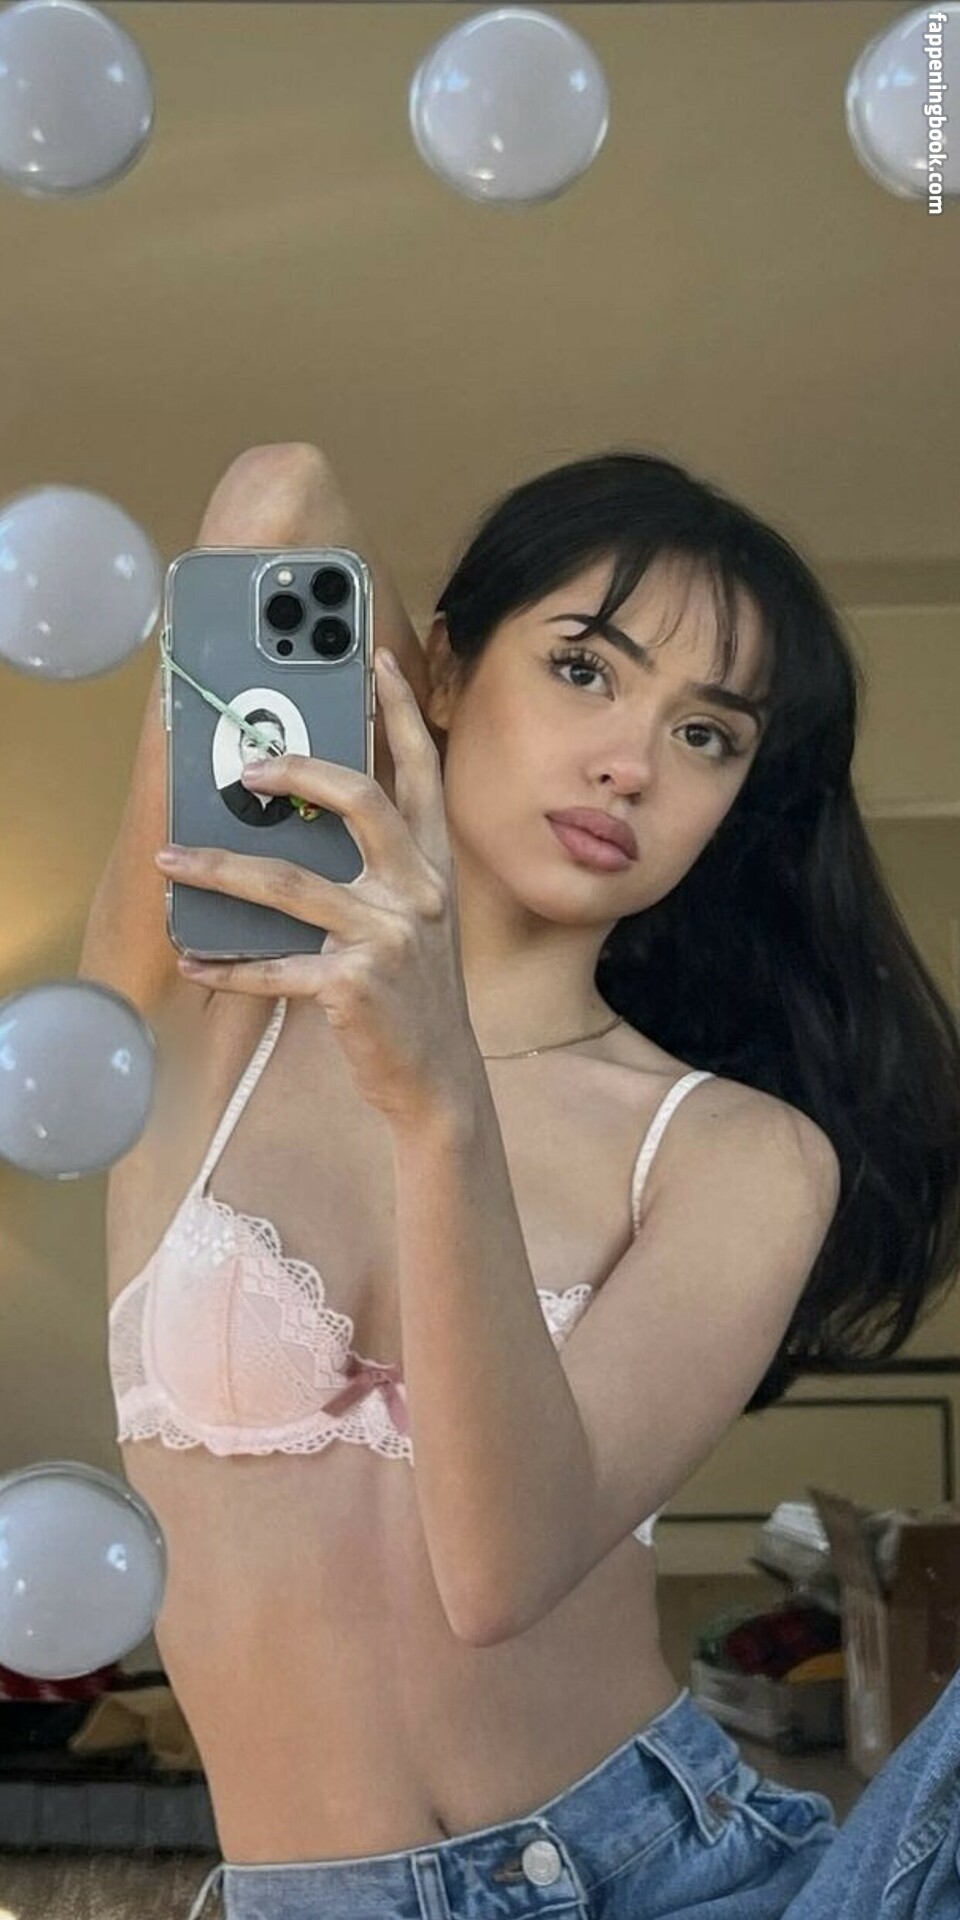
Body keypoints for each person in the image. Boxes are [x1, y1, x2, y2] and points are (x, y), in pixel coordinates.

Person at [80, 443, 960, 1919]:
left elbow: (497, 1575)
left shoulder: (738, 1153)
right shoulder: (209, 1006)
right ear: (437, 668)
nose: (631, 761)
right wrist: (393, 745)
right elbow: (280, 496)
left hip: (671, 1882)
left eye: (707, 735)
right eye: (584, 669)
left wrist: (442, 1103)